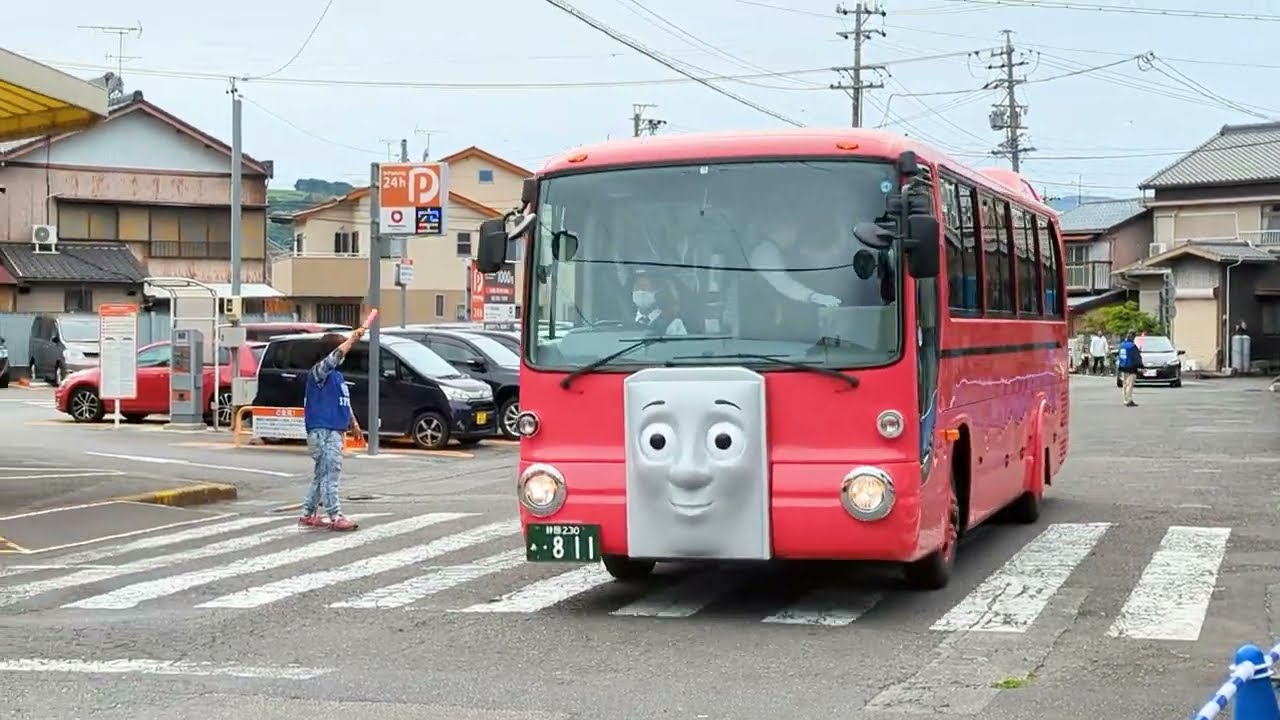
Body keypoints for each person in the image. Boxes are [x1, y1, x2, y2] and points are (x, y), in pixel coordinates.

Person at [299, 327, 365, 531]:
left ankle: (308, 513)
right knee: (330, 473)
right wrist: (352, 340)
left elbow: (344, 402)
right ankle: (335, 515)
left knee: (322, 474)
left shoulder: (336, 377)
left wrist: (353, 424)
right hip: (324, 430)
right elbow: (335, 357)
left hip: (332, 428)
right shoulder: (320, 372)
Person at [629, 270, 687, 335]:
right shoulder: (626, 320)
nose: (640, 291)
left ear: (656, 291)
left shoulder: (672, 322)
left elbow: (680, 344)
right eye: (637, 287)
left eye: (644, 287)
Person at [1116, 330, 1143, 407]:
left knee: (1124, 383)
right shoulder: (1132, 346)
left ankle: (1125, 399)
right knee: (1130, 384)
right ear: (1133, 337)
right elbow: (1136, 357)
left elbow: (1120, 355)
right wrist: (1141, 366)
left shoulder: (1122, 345)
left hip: (1123, 366)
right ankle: (1129, 400)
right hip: (1131, 367)